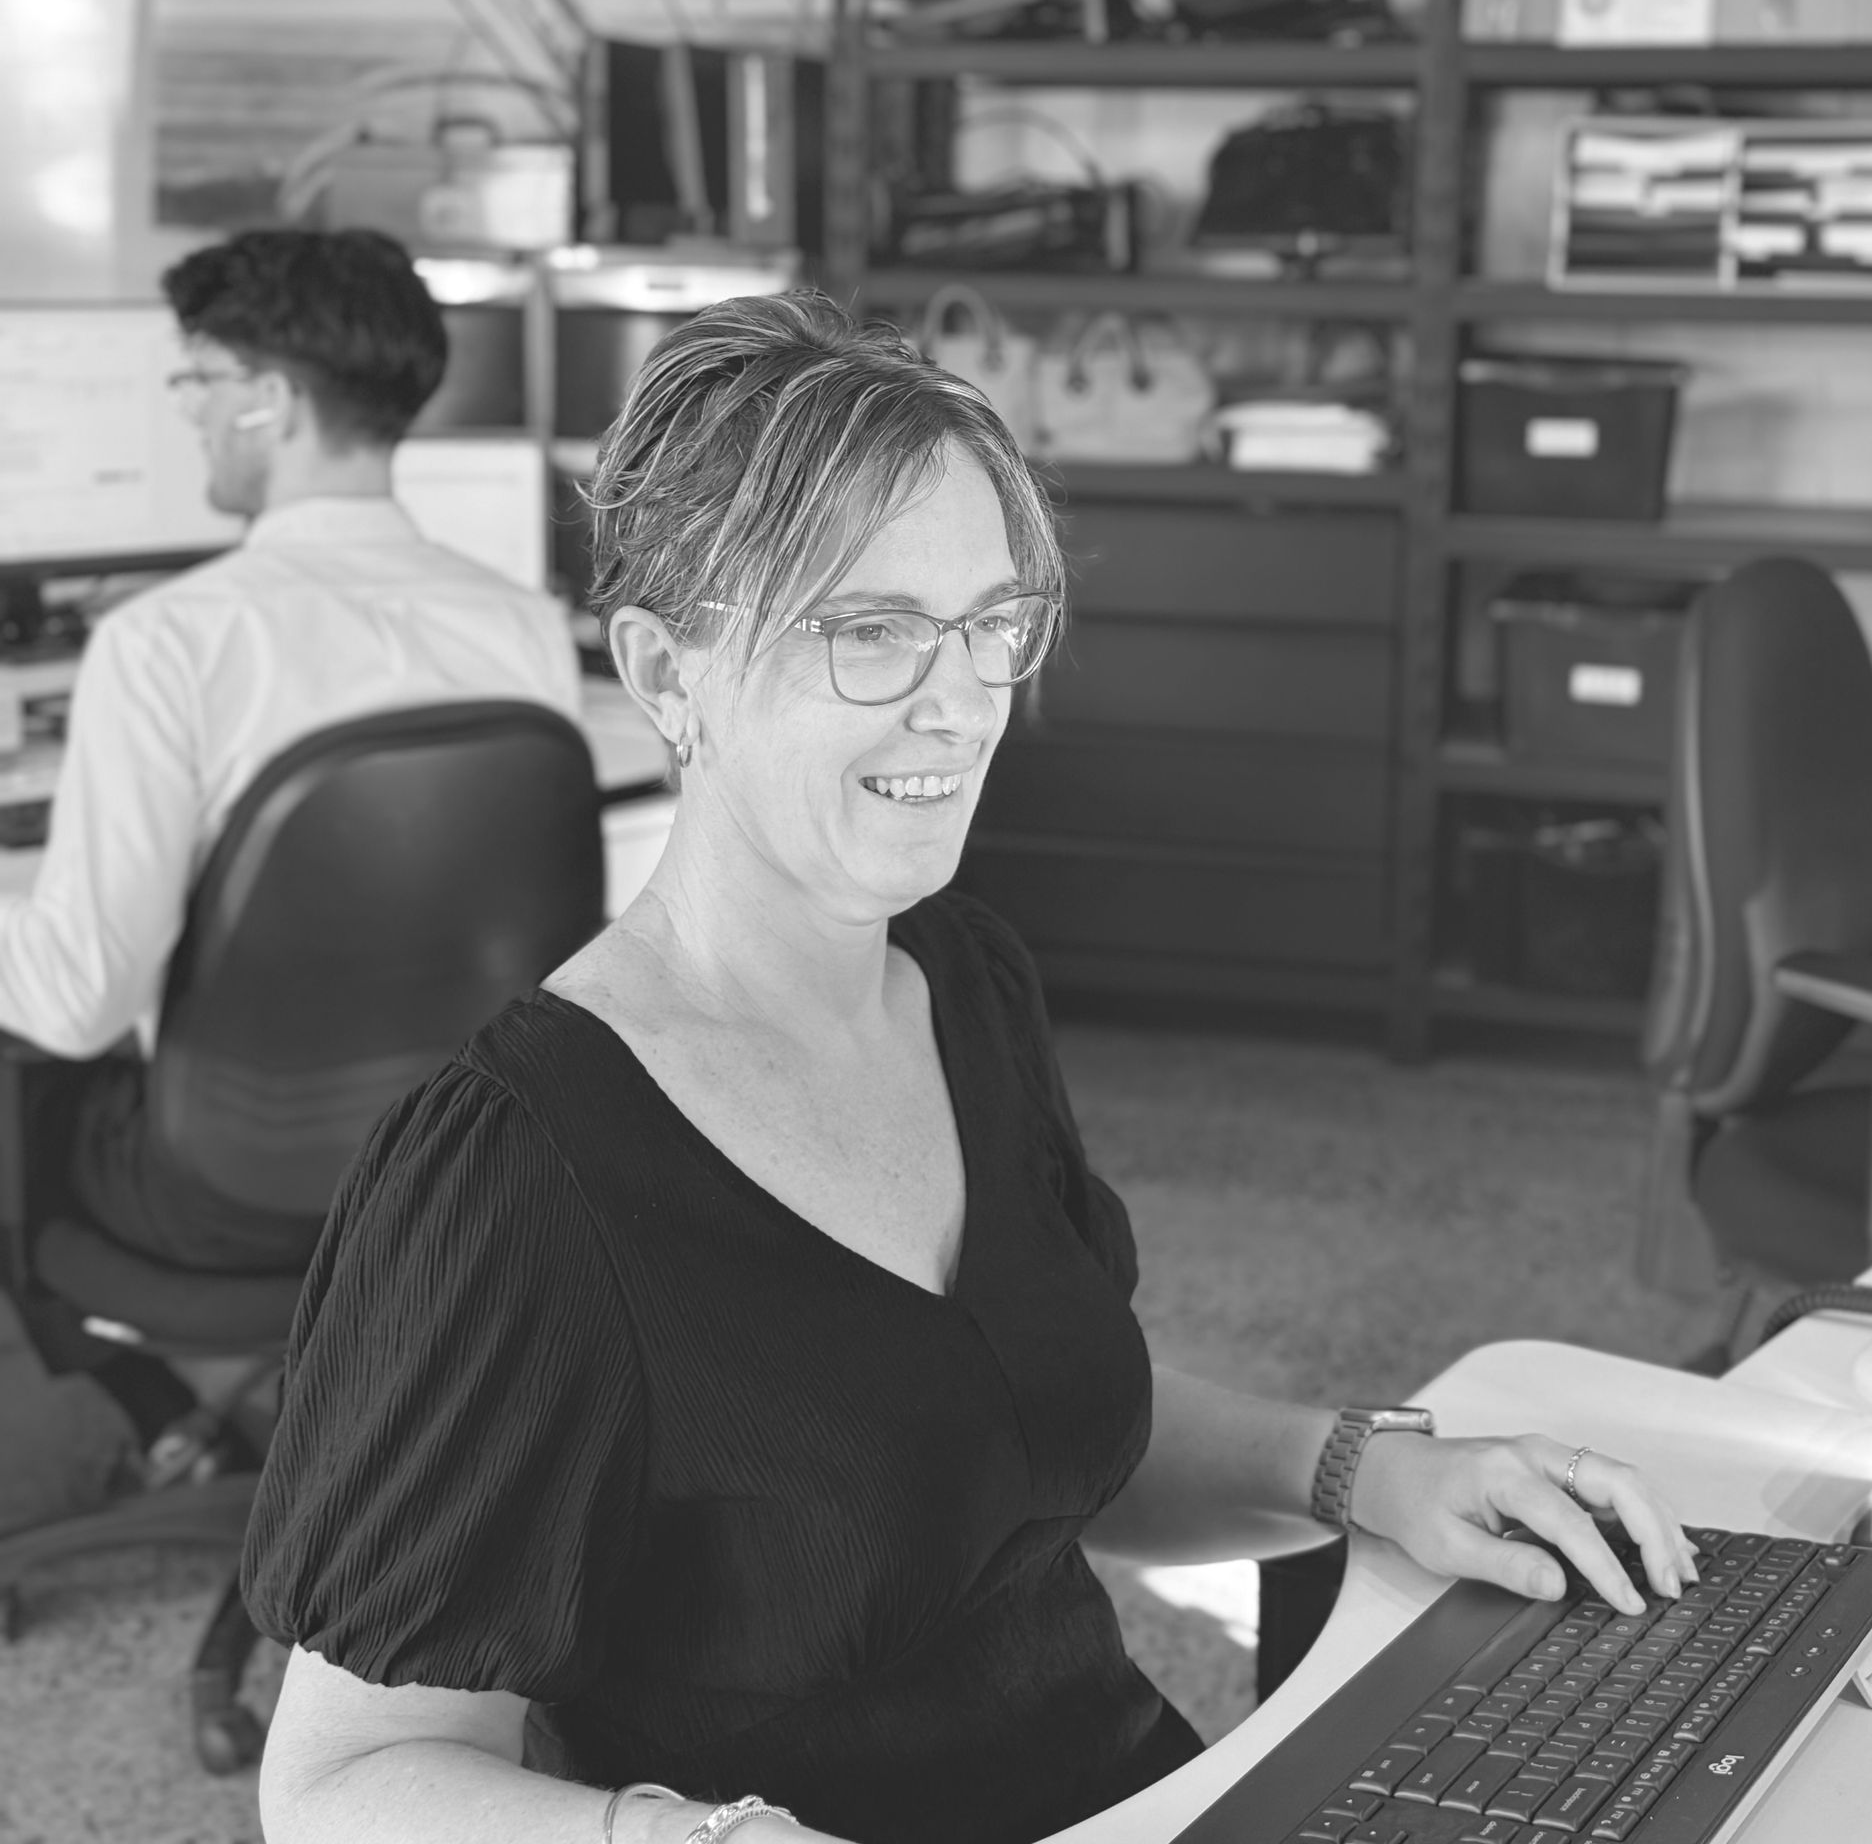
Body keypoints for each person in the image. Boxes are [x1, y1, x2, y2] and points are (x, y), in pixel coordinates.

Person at [242, 292, 1695, 1844]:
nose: (958, 699)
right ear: (669, 674)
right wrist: (679, 1838)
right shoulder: (520, 1171)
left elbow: (1031, 1430)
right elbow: (337, 1783)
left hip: (1142, 1797)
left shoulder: (963, 982)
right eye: (868, 630)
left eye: (989, 623)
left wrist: (1363, 1470)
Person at [0, 229, 580, 1451]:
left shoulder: (170, 644)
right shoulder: (522, 630)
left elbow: (72, 1005)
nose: (192, 416)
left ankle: (160, 1415)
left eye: (199, 383)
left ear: (268, 402)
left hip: (209, 1195)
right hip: (453, 1165)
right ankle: (207, 1421)